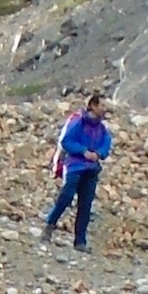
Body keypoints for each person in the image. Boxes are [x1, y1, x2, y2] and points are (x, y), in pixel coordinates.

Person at [42, 92, 114, 251]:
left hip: (91, 169)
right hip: (74, 166)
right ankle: (50, 224)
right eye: (102, 105)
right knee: (66, 196)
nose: (104, 109)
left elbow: (106, 144)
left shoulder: (102, 128)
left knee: (86, 205)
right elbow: (66, 141)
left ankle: (80, 241)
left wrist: (99, 154)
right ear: (93, 106)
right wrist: (83, 151)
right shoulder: (78, 122)